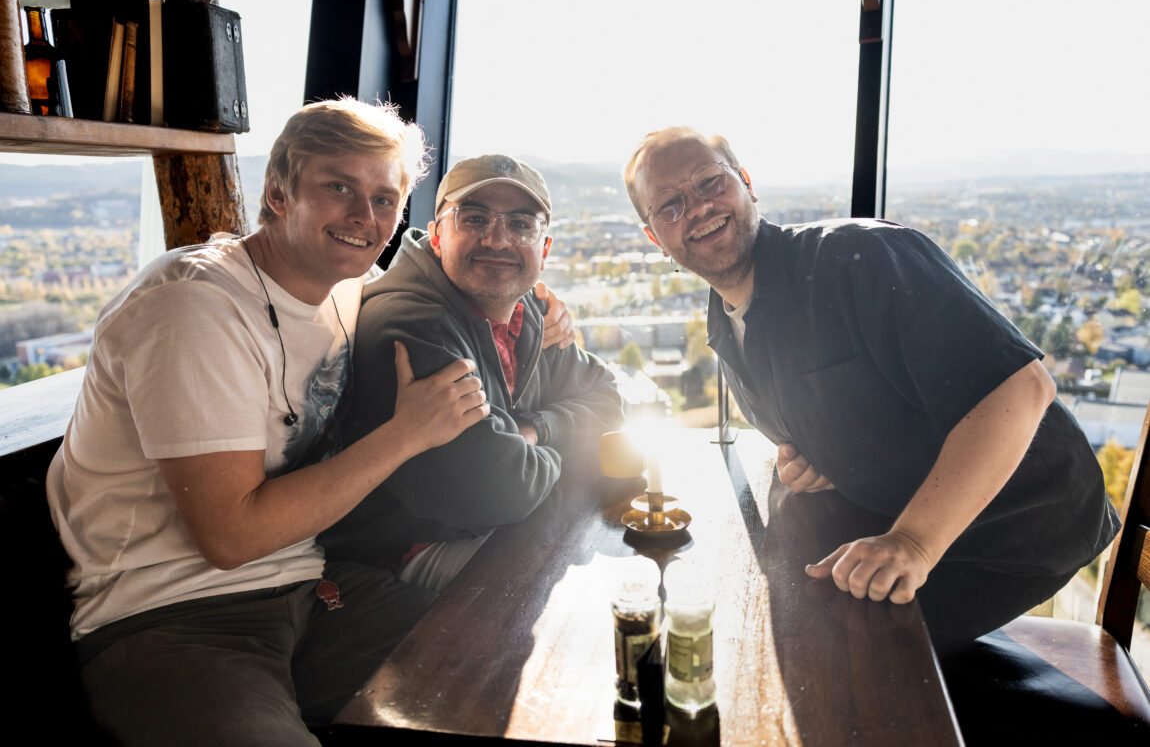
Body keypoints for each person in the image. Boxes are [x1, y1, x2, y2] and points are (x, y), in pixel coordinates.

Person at [46, 98, 492, 747]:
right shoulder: (194, 307)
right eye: (339, 187)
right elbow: (228, 535)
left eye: (385, 197)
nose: (365, 217)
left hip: (313, 591)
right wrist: (405, 434)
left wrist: (530, 309)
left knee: (489, 672)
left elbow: (426, 288)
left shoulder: (345, 285)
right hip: (168, 619)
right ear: (279, 192)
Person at [623, 126, 1120, 654]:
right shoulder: (726, 322)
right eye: (670, 206)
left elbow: (1022, 390)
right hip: (894, 512)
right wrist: (823, 460)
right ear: (656, 237)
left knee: (821, 651)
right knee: (760, 614)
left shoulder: (863, 258)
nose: (697, 208)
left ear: (746, 184)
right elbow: (839, 412)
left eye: (709, 183)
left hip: (1013, 532)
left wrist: (913, 543)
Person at [320, 155, 625, 590]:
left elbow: (609, 401)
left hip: (491, 528)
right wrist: (571, 449)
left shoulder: (529, 312)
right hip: (405, 554)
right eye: (475, 219)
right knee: (585, 590)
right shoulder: (410, 325)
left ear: (545, 249)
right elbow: (502, 488)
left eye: (521, 224)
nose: (497, 241)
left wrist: (534, 430)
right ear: (438, 235)